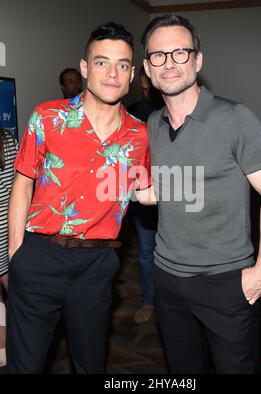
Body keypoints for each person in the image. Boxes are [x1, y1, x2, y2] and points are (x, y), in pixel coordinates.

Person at [140, 14, 261, 373]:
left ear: (198, 60)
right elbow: (165, 190)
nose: (169, 63)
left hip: (226, 281)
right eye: (158, 55)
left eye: (180, 53)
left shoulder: (236, 118)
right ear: (147, 67)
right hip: (167, 278)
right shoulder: (153, 125)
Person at [7, 22, 151, 374]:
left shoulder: (139, 135)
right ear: (85, 68)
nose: (112, 73)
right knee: (24, 366)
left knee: (89, 364)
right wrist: (16, 256)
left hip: (96, 266)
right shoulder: (46, 118)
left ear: (132, 73)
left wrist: (207, 179)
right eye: (102, 62)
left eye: (122, 64)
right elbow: (22, 184)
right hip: (39, 256)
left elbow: (145, 192)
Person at [127, 68, 162, 324]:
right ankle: (149, 300)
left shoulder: (176, 110)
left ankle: (177, 303)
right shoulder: (131, 112)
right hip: (143, 197)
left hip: (176, 195)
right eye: (144, 87)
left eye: (151, 87)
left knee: (178, 253)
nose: (148, 92)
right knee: (146, 252)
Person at [0, 128, 18, 367]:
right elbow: (20, 185)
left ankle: (2, 350)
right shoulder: (7, 138)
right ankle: (26, 339)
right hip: (9, 227)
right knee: (17, 291)